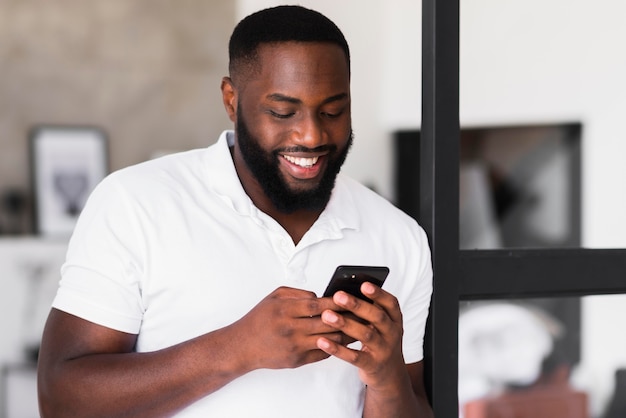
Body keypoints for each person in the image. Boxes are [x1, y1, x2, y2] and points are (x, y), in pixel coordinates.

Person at [37, 5, 434, 417]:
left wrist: (387, 380)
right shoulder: (136, 203)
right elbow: (60, 401)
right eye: (283, 112)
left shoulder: (398, 236)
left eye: (333, 111)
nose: (312, 134)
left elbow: (416, 406)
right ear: (231, 99)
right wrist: (237, 348)